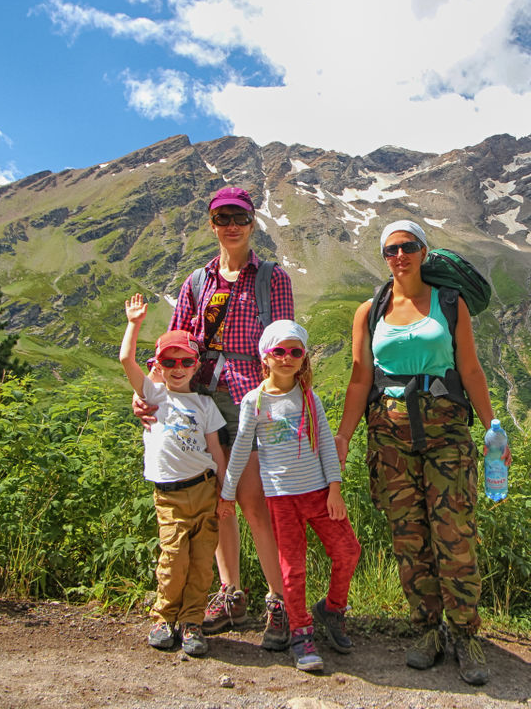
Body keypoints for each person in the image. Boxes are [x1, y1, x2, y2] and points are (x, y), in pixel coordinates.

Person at [332, 219, 506, 686]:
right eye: (391, 249)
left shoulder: (450, 304)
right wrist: (344, 437)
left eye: (408, 247)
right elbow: (358, 379)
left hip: (447, 431)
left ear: (424, 251)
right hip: (388, 436)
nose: (399, 256)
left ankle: (465, 633)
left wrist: (493, 428)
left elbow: (470, 369)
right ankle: (427, 630)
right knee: (408, 535)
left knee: (454, 532)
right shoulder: (369, 311)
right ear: (383, 256)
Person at [134, 186, 293, 651]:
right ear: (212, 224)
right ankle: (230, 593)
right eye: (222, 218)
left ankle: (278, 601)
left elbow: (281, 341)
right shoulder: (196, 283)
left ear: (252, 222)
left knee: (252, 503)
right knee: (217, 499)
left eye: (239, 218)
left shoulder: (272, 279)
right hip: (201, 400)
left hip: (251, 402)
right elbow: (176, 342)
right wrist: (148, 392)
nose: (231, 226)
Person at [220, 320, 361, 672]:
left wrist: (335, 488)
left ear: (303, 358)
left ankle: (332, 608)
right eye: (279, 351)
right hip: (282, 498)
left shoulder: (308, 396)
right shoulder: (254, 401)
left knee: (347, 550)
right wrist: (227, 495)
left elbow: (327, 445)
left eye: (295, 352)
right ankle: (301, 633)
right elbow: (240, 451)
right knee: (292, 569)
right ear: (264, 357)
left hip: (318, 493)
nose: (287, 358)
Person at [119, 295, 226, 657]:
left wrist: (225, 491)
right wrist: (134, 323)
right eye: (169, 361)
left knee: (201, 563)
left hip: (205, 490)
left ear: (196, 365)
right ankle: (164, 618)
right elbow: (125, 360)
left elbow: (215, 451)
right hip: (169, 495)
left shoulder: (205, 404)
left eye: (185, 361)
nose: (178, 368)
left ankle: (192, 621)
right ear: (159, 366)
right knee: (173, 557)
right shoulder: (152, 394)